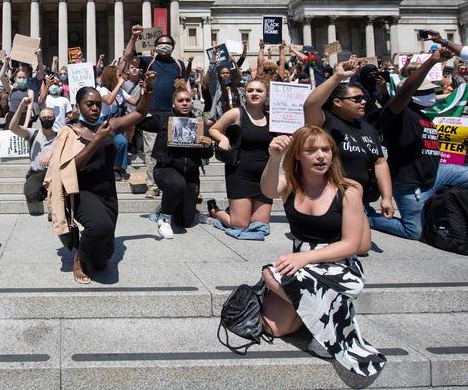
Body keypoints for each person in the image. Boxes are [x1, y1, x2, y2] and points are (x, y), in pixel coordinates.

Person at [258, 127, 383, 376]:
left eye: (326, 150)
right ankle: (321, 316)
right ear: (298, 155)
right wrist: (274, 158)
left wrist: (305, 257)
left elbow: (351, 245)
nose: (320, 156)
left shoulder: (348, 191)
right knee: (275, 327)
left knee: (271, 274)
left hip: (338, 264)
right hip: (300, 265)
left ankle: (323, 324)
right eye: (311, 150)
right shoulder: (291, 185)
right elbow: (268, 190)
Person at [46, 72, 156, 284]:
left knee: (104, 254)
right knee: (99, 227)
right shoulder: (70, 132)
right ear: (78, 106)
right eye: (89, 104)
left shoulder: (109, 126)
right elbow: (69, 168)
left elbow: (140, 112)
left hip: (107, 193)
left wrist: (149, 90)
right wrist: (97, 140)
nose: (95, 108)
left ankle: (92, 256)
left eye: (98, 104)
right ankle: (80, 258)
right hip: (83, 192)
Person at [379, 44, 468, 239]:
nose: (431, 95)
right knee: (414, 232)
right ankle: (367, 217)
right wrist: (432, 61)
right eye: (424, 92)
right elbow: (405, 91)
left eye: (432, 91)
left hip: (437, 175)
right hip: (411, 186)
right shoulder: (397, 113)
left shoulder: (424, 114)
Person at [304, 59, 393, 238]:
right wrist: (337, 77)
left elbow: (380, 163)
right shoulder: (326, 123)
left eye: (364, 98)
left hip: (359, 201)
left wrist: (387, 197)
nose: (363, 102)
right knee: (344, 244)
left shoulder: (368, 128)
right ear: (337, 102)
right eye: (356, 99)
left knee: (362, 246)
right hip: (330, 199)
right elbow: (310, 105)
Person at [138, 86, 213, 238]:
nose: (184, 103)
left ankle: (171, 206)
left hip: (190, 175)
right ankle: (164, 218)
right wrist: (145, 98)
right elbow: (139, 121)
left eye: (188, 100)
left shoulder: (199, 124)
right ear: (174, 103)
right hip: (165, 169)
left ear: (192, 102)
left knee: (186, 221)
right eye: (180, 100)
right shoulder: (163, 119)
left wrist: (208, 145)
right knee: (176, 184)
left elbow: (208, 155)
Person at [123, 25, 189, 198]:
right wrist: (134, 37)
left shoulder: (179, 65)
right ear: (155, 46)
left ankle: (174, 182)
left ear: (173, 47)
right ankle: (152, 185)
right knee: (151, 152)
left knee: (174, 151)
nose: (164, 46)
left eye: (167, 44)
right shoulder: (148, 62)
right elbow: (127, 57)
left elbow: (183, 88)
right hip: (151, 112)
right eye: (160, 43)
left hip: (173, 114)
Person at [208, 79, 273, 232]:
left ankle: (235, 209)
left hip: (264, 176)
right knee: (240, 225)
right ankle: (215, 211)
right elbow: (213, 129)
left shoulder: (272, 118)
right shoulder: (237, 113)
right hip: (239, 173)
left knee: (259, 225)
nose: (254, 93)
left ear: (266, 94)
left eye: (259, 91)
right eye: (250, 90)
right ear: (245, 93)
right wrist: (223, 139)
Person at [9, 97, 56, 214]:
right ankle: (45, 190)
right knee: (31, 195)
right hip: (37, 173)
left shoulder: (60, 135)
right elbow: (12, 127)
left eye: (49, 117)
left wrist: (52, 153)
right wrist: (21, 106)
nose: (47, 119)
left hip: (55, 173)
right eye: (44, 118)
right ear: (39, 119)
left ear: (54, 119)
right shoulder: (33, 133)